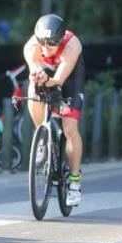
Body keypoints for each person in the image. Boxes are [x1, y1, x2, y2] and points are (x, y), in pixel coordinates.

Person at [22, 14, 85, 206]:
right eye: (41, 42)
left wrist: (49, 82)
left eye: (51, 44)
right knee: (32, 91)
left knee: (70, 129)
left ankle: (74, 182)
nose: (45, 47)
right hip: (47, 74)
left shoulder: (72, 45)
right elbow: (34, 66)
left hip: (69, 78)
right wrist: (36, 74)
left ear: (60, 40)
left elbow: (58, 80)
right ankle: (42, 138)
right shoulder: (32, 45)